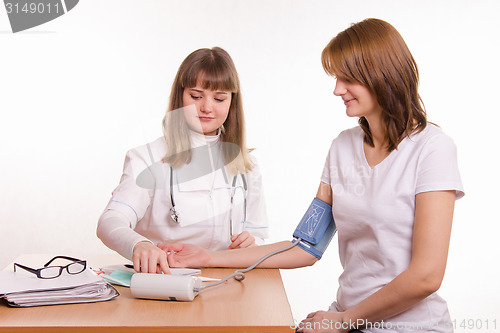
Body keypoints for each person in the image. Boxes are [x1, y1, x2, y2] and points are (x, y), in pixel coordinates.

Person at [159, 19, 464, 333]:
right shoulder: (342, 148)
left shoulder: (432, 149)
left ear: (381, 73)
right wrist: (209, 257)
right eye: (336, 78)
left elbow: (427, 275)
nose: (337, 89)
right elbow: (305, 246)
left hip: (409, 325)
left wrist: (345, 320)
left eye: (347, 78)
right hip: (347, 318)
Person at [97, 47, 268, 274]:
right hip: (164, 280)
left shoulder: (247, 165)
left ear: (232, 102)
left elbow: (259, 235)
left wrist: (251, 242)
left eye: (219, 98)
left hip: (225, 281)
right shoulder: (147, 157)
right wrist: (139, 245)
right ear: (180, 96)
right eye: (196, 96)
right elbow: (110, 222)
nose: (206, 107)